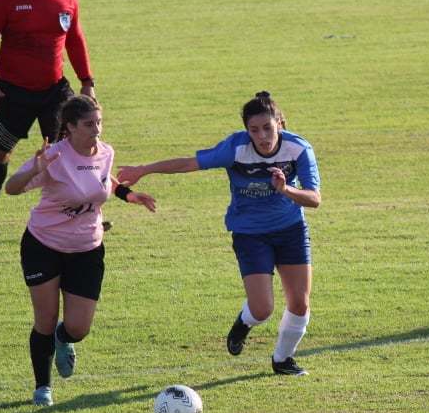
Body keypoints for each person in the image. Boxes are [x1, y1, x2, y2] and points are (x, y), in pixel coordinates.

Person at [118, 91, 321, 377]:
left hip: (290, 230)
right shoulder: (235, 149)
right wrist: (144, 170)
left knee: (300, 303)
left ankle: (283, 359)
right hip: (249, 232)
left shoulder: (298, 149)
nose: (262, 136)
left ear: (279, 123)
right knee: (262, 309)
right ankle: (244, 323)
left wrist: (285, 189)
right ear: (246, 130)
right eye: (254, 130)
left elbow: (314, 199)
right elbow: (188, 163)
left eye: (267, 127)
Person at [5, 95, 155, 406]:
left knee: (78, 327)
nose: (96, 130)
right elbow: (12, 187)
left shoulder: (105, 152)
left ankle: (63, 339)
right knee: (45, 319)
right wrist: (34, 168)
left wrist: (128, 195)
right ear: (70, 127)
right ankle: (42, 388)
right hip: (43, 245)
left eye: (99, 122)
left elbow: (104, 180)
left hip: (87, 249)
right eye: (89, 124)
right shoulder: (54, 157)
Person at [0, 0, 96, 234]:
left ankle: (79, 213)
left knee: (70, 150)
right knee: (0, 153)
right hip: (12, 92)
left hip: (54, 92)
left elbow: (75, 40)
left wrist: (87, 81)